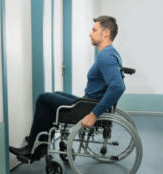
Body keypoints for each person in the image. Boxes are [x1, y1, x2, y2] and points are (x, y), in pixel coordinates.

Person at [9, 15, 125, 161]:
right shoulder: (111, 53)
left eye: (94, 30)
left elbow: (117, 87)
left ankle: (34, 149)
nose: (90, 33)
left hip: (89, 107)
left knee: (43, 99)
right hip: (88, 101)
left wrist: (93, 115)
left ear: (106, 32)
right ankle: (41, 142)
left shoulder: (106, 56)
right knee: (55, 95)